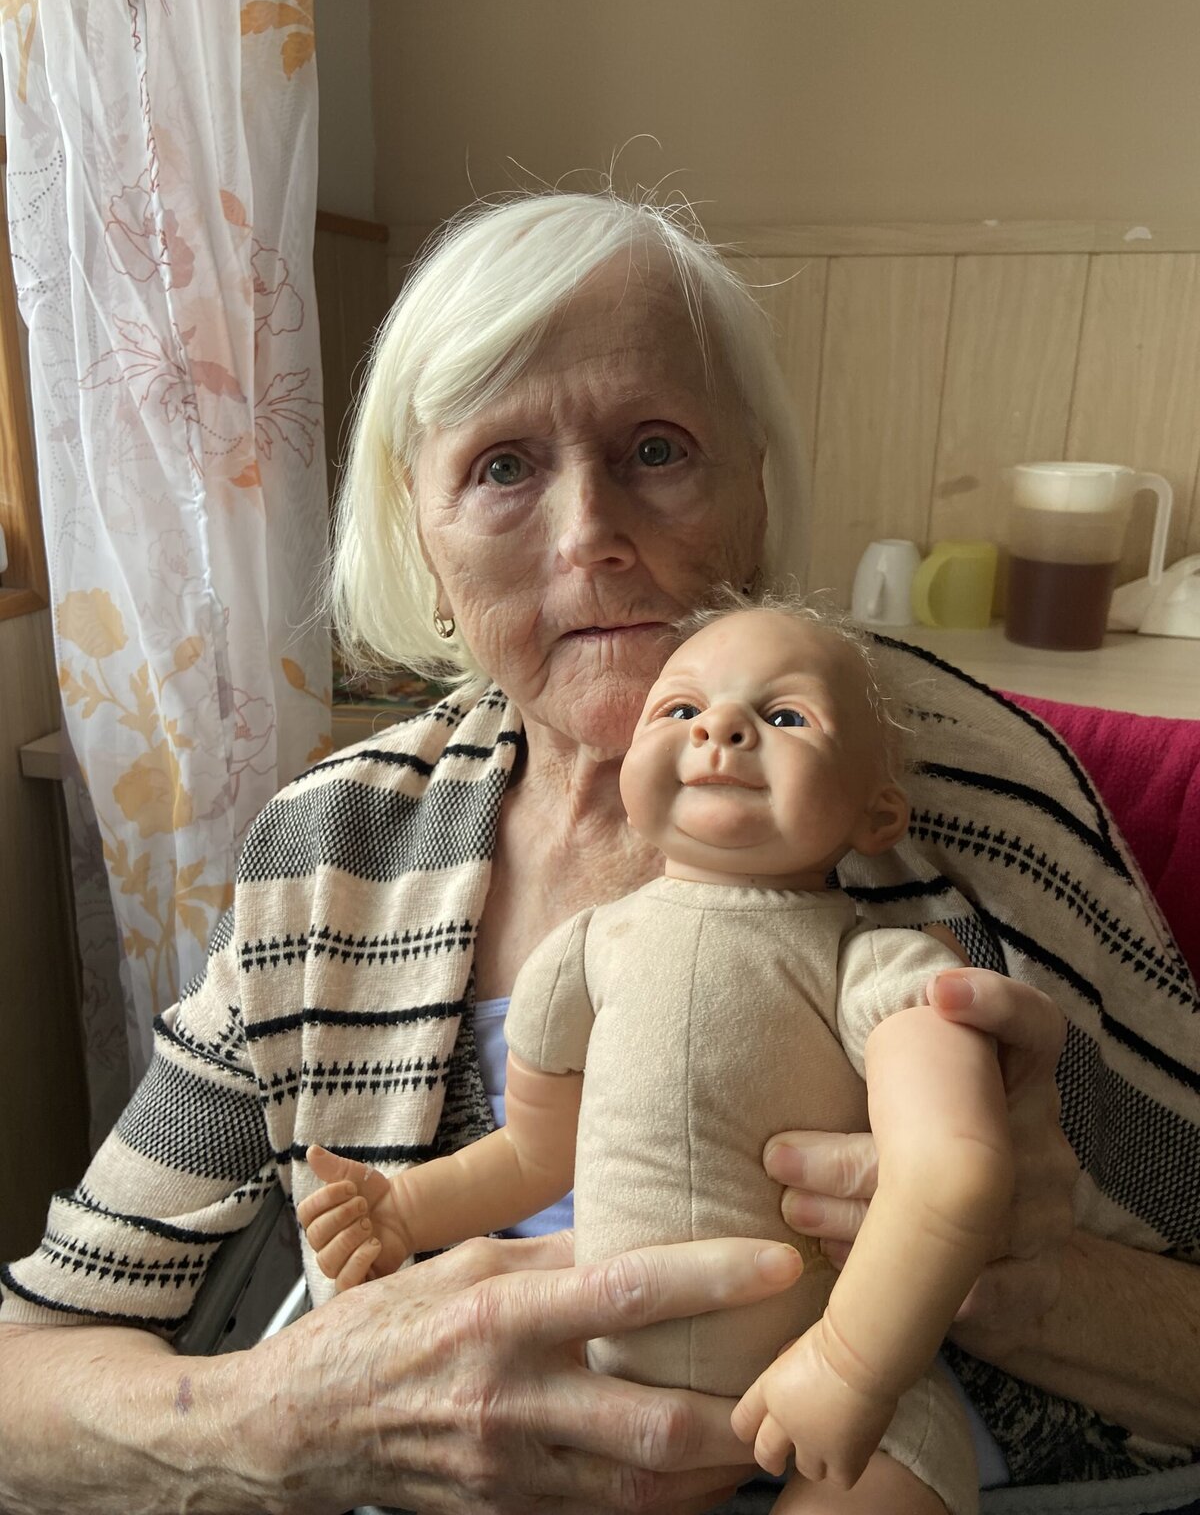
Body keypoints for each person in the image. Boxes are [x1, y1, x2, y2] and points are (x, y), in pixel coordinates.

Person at [0, 190, 1195, 1515]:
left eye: (658, 448)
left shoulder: (959, 794)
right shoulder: (333, 853)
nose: (588, 536)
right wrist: (283, 1421)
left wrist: (1004, 1274)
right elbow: (30, 1363)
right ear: (421, 539)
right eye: (502, 468)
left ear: (754, 489)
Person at [300, 597, 1016, 1515]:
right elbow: (534, 1155)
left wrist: (847, 1367)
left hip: (834, 1384)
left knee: (894, 1474)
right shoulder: (583, 954)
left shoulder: (878, 967)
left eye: (785, 716)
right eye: (680, 709)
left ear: (877, 815)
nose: (721, 728)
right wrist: (405, 1208)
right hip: (600, 1386)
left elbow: (951, 1171)